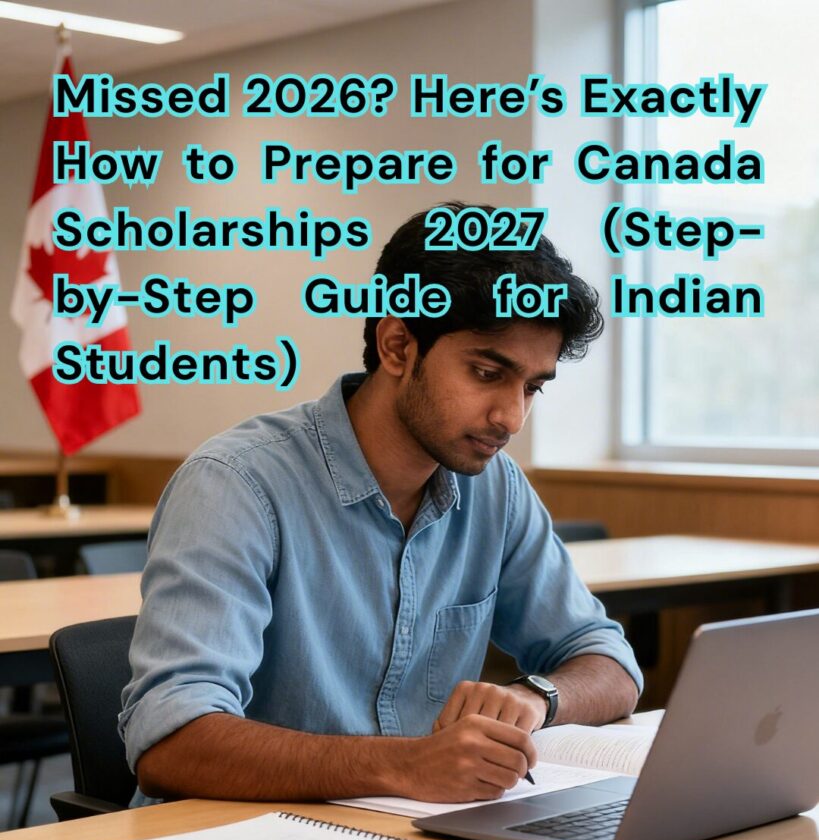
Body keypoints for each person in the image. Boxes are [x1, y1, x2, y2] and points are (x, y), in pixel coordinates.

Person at [120, 201, 642, 806]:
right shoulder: (235, 484)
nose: (511, 417)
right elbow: (171, 740)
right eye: (485, 373)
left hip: (409, 830)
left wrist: (537, 698)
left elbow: (610, 662)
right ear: (397, 345)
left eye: (531, 387)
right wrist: (405, 766)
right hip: (239, 838)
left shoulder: (495, 487)